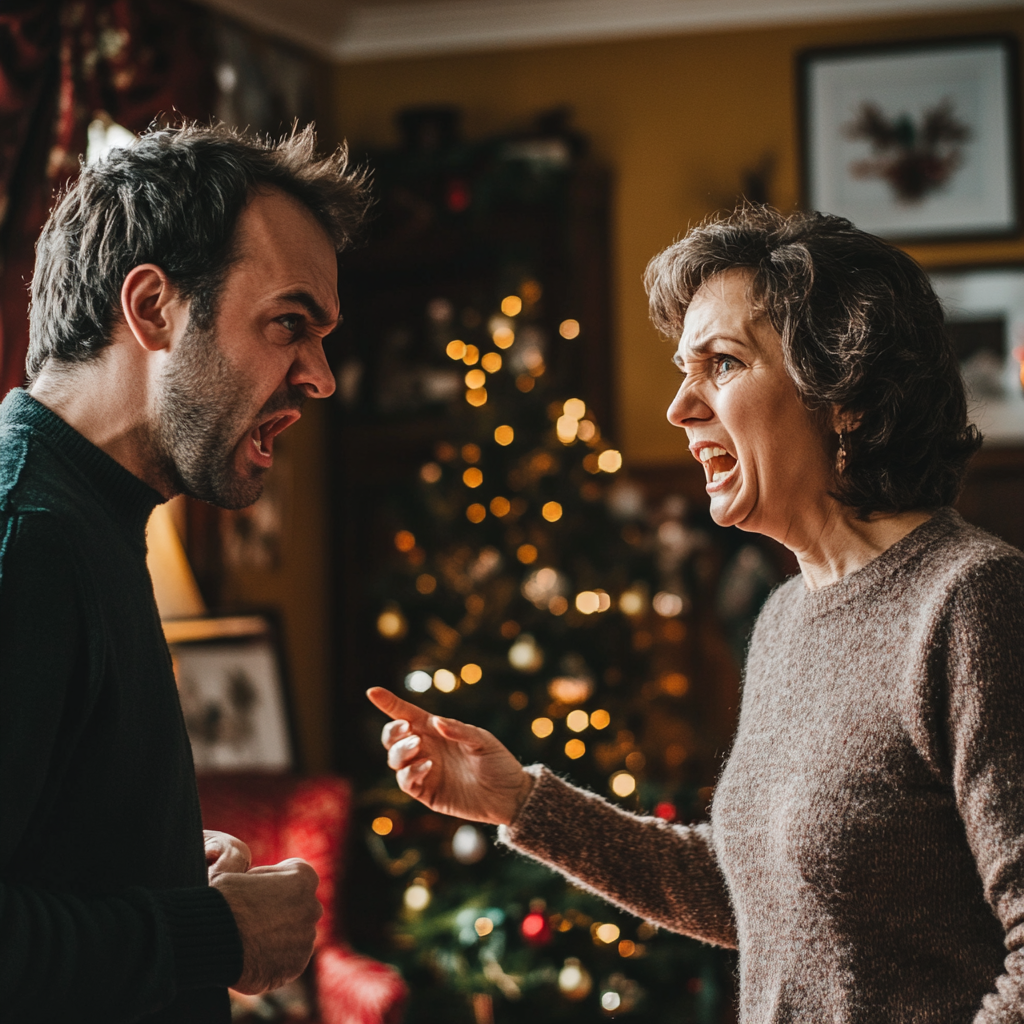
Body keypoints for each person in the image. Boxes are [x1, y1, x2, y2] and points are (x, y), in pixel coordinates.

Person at [370, 206, 1024, 1022]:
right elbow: (759, 895)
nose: (680, 408)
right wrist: (522, 803)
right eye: (685, 369)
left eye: (721, 364)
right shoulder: (787, 617)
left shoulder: (970, 602)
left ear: (846, 394)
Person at [0, 123, 370, 1022]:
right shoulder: (26, 540)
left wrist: (156, 866)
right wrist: (212, 935)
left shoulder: (93, 519)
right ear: (154, 308)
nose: (320, 376)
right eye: (290, 324)